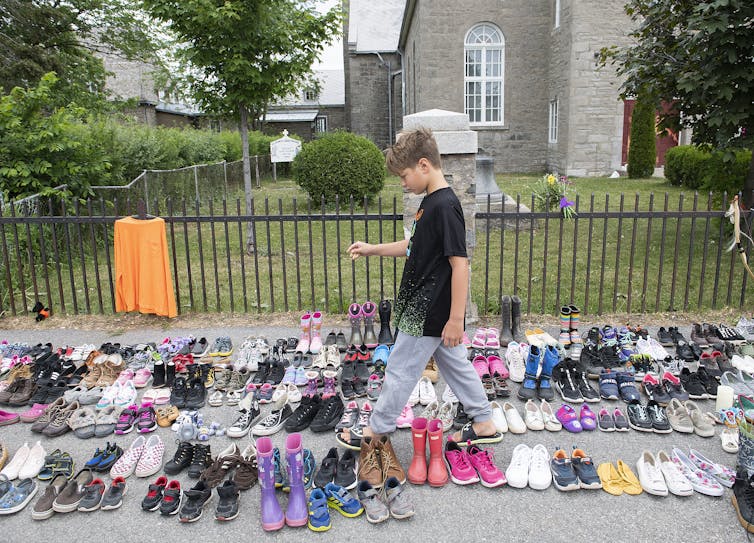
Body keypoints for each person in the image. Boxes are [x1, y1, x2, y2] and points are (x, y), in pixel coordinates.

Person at [344, 128, 500, 488]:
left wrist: (456, 319)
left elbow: (460, 264)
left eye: (404, 175)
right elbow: (413, 247)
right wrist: (372, 248)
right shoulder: (429, 202)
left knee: (399, 370)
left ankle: (375, 431)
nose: (402, 183)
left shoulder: (445, 206)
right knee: (456, 364)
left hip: (428, 312)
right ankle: (483, 422)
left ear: (425, 165)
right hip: (426, 308)